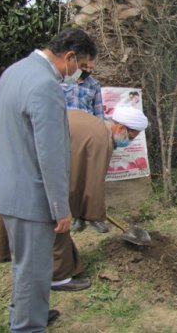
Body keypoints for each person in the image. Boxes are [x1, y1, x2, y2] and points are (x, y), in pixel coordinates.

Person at [0, 28, 97, 331]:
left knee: (25, 263)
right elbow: (50, 153)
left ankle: (27, 311)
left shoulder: (14, 71)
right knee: (34, 268)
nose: (80, 74)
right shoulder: (45, 85)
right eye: (82, 67)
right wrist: (60, 207)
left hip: (5, 185)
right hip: (30, 193)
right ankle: (27, 326)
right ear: (70, 57)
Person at [0, 105, 149, 291]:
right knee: (57, 221)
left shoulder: (92, 123)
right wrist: (93, 210)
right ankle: (58, 278)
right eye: (131, 137)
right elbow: (91, 184)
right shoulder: (100, 140)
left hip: (21, 164)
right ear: (121, 128)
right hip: (37, 174)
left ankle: (34, 269)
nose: (129, 142)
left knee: (33, 220)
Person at [60, 58, 108, 233]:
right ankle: (74, 216)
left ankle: (92, 216)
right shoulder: (60, 81)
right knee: (71, 176)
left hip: (88, 138)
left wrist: (101, 136)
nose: (88, 69)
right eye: (85, 66)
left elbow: (98, 113)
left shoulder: (93, 84)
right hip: (65, 135)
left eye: (91, 67)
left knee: (92, 177)